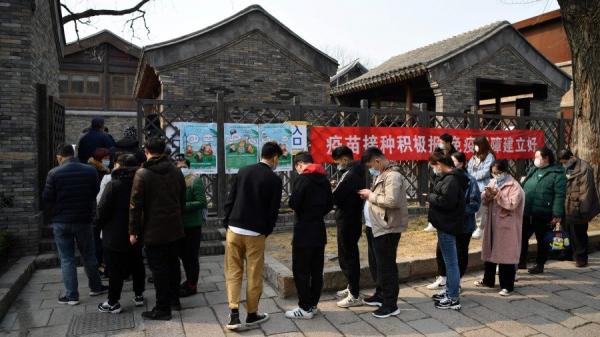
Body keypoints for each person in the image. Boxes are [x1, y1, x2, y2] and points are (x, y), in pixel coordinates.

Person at [223, 142, 283, 330]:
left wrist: (227, 222)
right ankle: (251, 314)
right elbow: (273, 211)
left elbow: (230, 199)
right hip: (256, 233)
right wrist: (266, 231)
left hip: (234, 229)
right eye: (278, 159)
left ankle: (233, 315)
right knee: (254, 274)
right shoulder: (274, 180)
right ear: (274, 157)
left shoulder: (243, 171)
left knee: (233, 272)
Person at [42, 144, 107, 305]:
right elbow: (95, 192)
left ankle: (72, 296)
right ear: (74, 154)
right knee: (89, 255)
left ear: (59, 157)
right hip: (83, 220)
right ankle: (96, 287)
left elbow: (47, 198)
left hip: (61, 221)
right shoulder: (90, 170)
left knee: (67, 259)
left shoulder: (53, 173)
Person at [129, 137, 186, 320]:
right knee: (173, 264)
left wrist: (133, 231)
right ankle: (174, 300)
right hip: (175, 226)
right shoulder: (176, 171)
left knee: (159, 269)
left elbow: (135, 206)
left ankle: (162, 308)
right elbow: (182, 199)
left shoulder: (143, 174)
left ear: (146, 151)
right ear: (164, 150)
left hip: (154, 229)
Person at [359, 147, 408, 318]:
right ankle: (380, 294)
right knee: (377, 264)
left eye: (371, 165)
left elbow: (392, 201)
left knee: (386, 266)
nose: (370, 168)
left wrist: (370, 195)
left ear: (378, 161)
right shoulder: (383, 173)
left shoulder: (393, 176)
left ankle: (390, 304)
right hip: (376, 226)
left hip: (387, 228)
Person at [285, 152, 333, 319]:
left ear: (299, 164)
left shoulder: (303, 179)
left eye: (296, 167)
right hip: (319, 229)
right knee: (316, 271)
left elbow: (294, 203)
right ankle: (312, 305)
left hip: (303, 230)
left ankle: (304, 307)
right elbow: (329, 204)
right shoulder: (324, 179)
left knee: (301, 271)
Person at [96, 154, 146, 313]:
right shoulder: (141, 183)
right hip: (136, 232)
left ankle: (113, 302)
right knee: (137, 264)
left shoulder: (113, 185)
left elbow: (102, 210)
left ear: (120, 166)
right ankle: (139, 295)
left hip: (114, 233)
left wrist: (98, 226)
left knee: (115, 269)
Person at [427, 152, 480, 290]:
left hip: (463, 224)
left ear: (461, 163)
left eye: (453, 161)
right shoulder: (445, 177)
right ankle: (444, 280)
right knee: (442, 253)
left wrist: (458, 211)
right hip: (447, 223)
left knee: (458, 256)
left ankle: (454, 286)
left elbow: (474, 204)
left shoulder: (469, 180)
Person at [476, 159, 524, 296]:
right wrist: (487, 195)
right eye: (493, 173)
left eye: (498, 172)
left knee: (505, 256)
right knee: (490, 252)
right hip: (493, 223)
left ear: (505, 171)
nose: (495, 175)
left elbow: (512, 204)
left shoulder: (514, 186)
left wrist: (498, 194)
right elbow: (485, 201)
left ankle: (507, 286)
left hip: (507, 225)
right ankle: (488, 280)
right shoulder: (493, 182)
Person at [427, 152, 467, 310]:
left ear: (439, 163)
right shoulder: (449, 178)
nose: (433, 169)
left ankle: (453, 298)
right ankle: (450, 291)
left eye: (433, 165)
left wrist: (430, 197)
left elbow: (447, 202)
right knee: (449, 261)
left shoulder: (451, 179)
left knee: (451, 263)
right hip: (445, 223)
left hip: (448, 225)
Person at [519, 146, 567, 274]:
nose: (535, 159)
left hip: (544, 213)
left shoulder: (557, 174)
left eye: (537, 157)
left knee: (542, 240)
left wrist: (557, 214)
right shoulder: (534, 170)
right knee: (522, 237)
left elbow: (559, 195)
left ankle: (540, 264)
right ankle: (521, 261)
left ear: (546, 158)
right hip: (527, 211)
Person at [330, 146, 366, 308]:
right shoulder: (355, 172)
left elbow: (336, 197)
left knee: (348, 256)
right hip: (351, 218)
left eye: (338, 162)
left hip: (348, 220)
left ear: (345, 160)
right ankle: (351, 286)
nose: (337, 165)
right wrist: (337, 186)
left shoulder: (351, 174)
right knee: (347, 254)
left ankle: (355, 294)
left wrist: (332, 190)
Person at [558, 149, 600, 267]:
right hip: (567, 204)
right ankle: (568, 253)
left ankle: (581, 258)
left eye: (565, 161)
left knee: (579, 233)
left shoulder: (584, 168)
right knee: (567, 230)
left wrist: (584, 210)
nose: (564, 164)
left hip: (579, 205)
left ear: (571, 158)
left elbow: (586, 191)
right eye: (562, 162)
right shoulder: (567, 167)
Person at [176, 158, 208, 297]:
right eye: (178, 166)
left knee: (191, 257)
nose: (181, 169)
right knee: (183, 256)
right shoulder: (174, 180)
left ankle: (192, 285)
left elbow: (202, 202)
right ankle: (188, 281)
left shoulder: (195, 180)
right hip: (178, 225)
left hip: (192, 225)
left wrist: (182, 207)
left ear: (188, 167)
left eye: (183, 166)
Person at [423, 133, 457, 232]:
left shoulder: (454, 153)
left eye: (442, 142)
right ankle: (431, 223)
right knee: (432, 200)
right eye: (439, 142)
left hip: (446, 180)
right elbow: (431, 164)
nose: (440, 144)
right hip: (435, 179)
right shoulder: (437, 151)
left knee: (442, 200)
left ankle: (440, 221)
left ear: (448, 143)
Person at [467, 137, 495, 240]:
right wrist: (472, 175)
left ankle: (481, 228)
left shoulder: (489, 156)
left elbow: (486, 172)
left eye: (477, 144)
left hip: (483, 186)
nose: (475, 147)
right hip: (473, 185)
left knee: (481, 208)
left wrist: (473, 175)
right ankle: (474, 226)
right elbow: (469, 168)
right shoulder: (474, 157)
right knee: (473, 207)